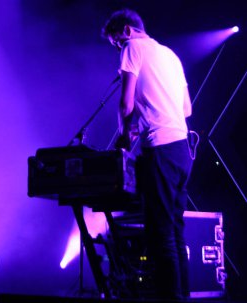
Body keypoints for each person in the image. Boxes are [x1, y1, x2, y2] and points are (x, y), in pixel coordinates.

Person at [102, 9, 193, 300]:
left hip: (161, 150)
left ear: (127, 31)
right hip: (182, 150)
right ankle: (183, 297)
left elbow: (125, 105)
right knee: (175, 232)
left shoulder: (132, 47)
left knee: (160, 234)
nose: (118, 48)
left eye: (116, 42)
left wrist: (123, 137)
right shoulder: (170, 55)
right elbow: (187, 109)